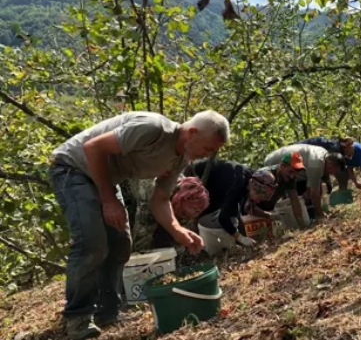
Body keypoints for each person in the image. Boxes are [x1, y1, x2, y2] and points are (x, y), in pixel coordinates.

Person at [48, 110, 230, 340]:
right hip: (72, 169)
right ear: (192, 133)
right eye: (208, 148)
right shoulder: (153, 128)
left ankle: (107, 311)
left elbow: (160, 199)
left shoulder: (179, 159)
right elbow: (93, 147)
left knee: (121, 243)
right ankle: (77, 317)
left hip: (106, 178)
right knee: (92, 242)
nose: (208, 155)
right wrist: (107, 200)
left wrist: (178, 231)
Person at [184, 159, 277, 247]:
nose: (258, 201)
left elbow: (246, 208)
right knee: (225, 218)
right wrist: (241, 238)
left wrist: (270, 216)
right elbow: (223, 218)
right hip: (198, 177)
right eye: (260, 198)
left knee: (234, 214)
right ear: (255, 189)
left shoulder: (252, 177)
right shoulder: (237, 185)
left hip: (216, 181)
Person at [264, 144, 345, 221]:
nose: (333, 174)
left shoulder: (324, 154)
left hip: (287, 164)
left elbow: (314, 182)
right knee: (275, 193)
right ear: (330, 165)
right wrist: (321, 215)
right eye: (335, 171)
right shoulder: (317, 163)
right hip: (274, 162)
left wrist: (308, 191)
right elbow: (314, 194)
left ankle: (305, 216)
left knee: (300, 193)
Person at [251, 152, 307, 228]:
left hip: (268, 212)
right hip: (251, 214)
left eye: (295, 173)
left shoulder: (290, 179)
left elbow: (294, 201)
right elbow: (249, 204)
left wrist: (302, 224)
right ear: (282, 166)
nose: (292, 176)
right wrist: (269, 215)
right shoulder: (264, 176)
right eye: (290, 172)